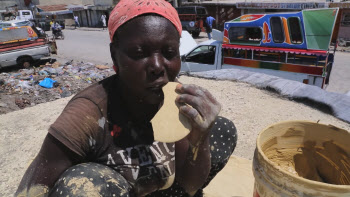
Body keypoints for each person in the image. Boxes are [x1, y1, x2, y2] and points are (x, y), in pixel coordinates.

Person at [15, 0, 237, 196]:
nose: (158, 67)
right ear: (114, 55)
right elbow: (30, 191)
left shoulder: (175, 100)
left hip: (163, 192)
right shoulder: (88, 114)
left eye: (169, 53)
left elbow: (189, 186)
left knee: (221, 129)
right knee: (85, 180)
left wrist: (200, 139)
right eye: (140, 53)